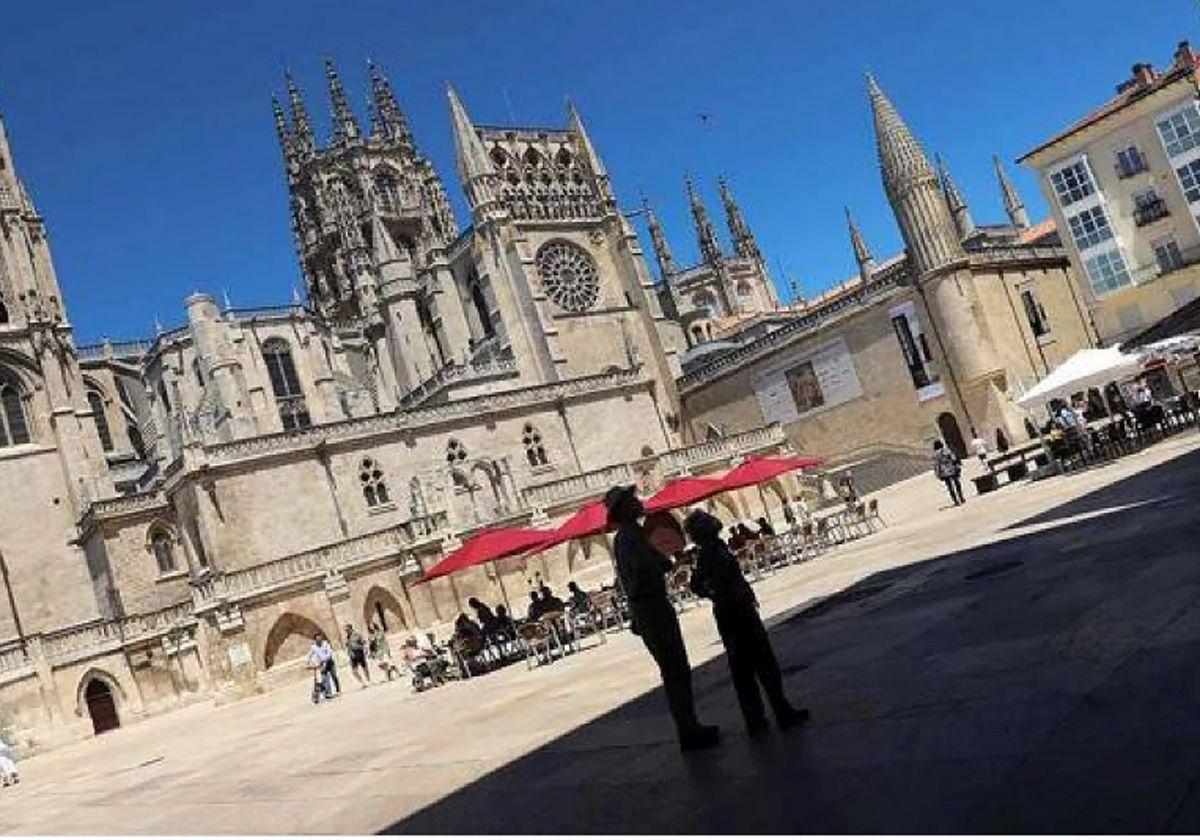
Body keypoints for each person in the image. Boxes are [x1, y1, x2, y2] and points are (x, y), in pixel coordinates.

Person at [605, 483, 719, 752]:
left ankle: (690, 727)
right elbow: (649, 569)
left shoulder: (630, 536)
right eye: (632, 500)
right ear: (624, 509)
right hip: (652, 608)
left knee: (675, 670)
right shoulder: (631, 536)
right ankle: (689, 731)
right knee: (676, 669)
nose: (638, 502)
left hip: (650, 608)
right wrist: (666, 560)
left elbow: (654, 565)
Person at [684, 509, 809, 736]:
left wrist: (720, 594)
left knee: (745, 666)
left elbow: (701, 584)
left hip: (732, 610)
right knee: (760, 662)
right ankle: (775, 713)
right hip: (735, 611)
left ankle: (760, 717)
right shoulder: (710, 552)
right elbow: (697, 585)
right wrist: (716, 594)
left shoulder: (714, 549)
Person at [932, 440, 964, 506]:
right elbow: (953, 458)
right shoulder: (947, 450)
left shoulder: (935, 455)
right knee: (957, 483)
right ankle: (961, 497)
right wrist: (957, 464)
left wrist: (937, 473)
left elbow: (936, 465)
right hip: (951, 468)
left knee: (950, 486)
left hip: (943, 471)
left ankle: (956, 500)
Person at [307, 631, 338, 700]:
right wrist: (307, 663)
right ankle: (327, 694)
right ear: (315, 640)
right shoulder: (313, 647)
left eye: (320, 639)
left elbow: (329, 653)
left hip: (329, 662)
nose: (319, 640)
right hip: (321, 665)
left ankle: (338, 690)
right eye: (317, 639)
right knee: (324, 679)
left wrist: (324, 659)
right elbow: (309, 655)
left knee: (334, 676)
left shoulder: (326, 644)